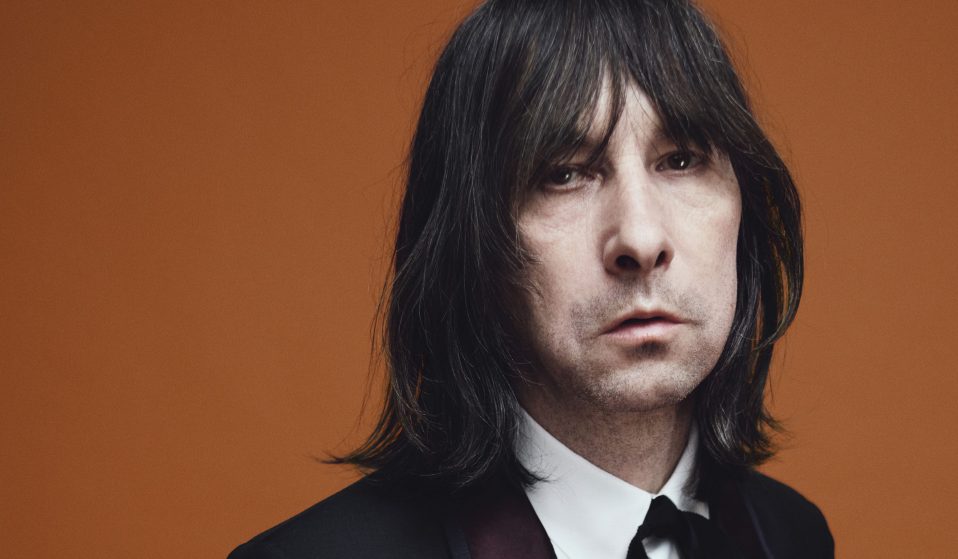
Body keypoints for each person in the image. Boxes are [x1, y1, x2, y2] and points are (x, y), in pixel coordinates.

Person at [229, 0, 833, 557]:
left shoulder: (792, 536)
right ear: (472, 243)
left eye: (681, 160)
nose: (641, 239)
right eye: (564, 174)